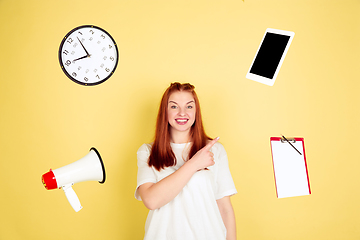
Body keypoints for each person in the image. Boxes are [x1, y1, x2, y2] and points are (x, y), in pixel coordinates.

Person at [135, 82, 237, 240]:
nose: (182, 113)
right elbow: (151, 201)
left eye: (189, 107)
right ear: (165, 112)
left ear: (196, 112)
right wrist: (194, 164)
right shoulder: (148, 151)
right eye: (174, 107)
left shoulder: (215, 150)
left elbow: (225, 208)